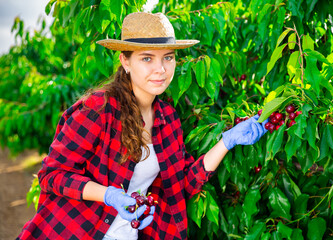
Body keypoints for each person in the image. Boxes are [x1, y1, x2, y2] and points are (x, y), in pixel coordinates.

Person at [17, 12, 268, 240]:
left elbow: (180, 185)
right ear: (125, 62)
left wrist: (227, 141)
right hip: (77, 231)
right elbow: (52, 176)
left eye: (168, 58)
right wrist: (108, 195)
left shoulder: (167, 117)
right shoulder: (97, 109)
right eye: (147, 58)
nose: (160, 69)